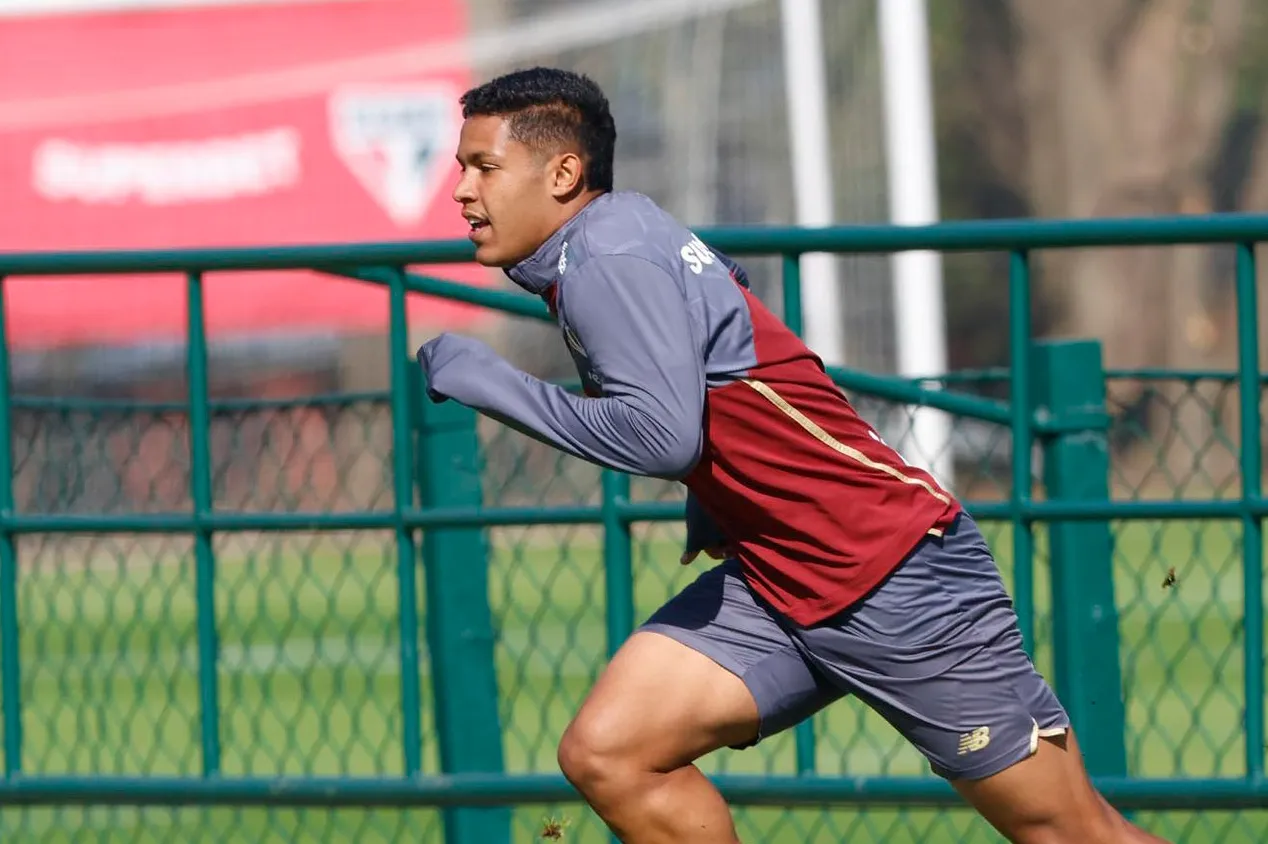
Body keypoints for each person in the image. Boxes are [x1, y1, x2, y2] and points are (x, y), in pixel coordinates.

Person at [416, 66, 1170, 844]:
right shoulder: (619, 235)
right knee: (612, 752)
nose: (463, 191)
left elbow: (661, 434)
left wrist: (493, 384)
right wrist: (720, 495)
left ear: (565, 172)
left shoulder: (606, 260)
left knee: (1072, 832)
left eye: (484, 167)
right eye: (462, 169)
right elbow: (725, 339)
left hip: (892, 572)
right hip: (783, 577)